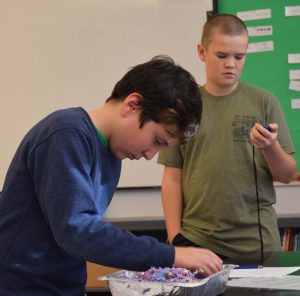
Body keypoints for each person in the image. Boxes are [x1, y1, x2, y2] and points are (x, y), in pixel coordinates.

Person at [0, 55, 223, 295]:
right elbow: (77, 231)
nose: (150, 155)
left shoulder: (112, 157)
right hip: (20, 287)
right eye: (156, 140)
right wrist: (172, 255)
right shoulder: (65, 133)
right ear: (132, 104)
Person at [157, 14, 297, 259]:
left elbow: (286, 175)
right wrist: (174, 237)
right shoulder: (184, 106)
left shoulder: (263, 102)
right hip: (196, 240)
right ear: (202, 52)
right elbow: (172, 178)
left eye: (239, 57)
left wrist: (270, 147)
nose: (231, 64)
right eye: (222, 56)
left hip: (256, 242)